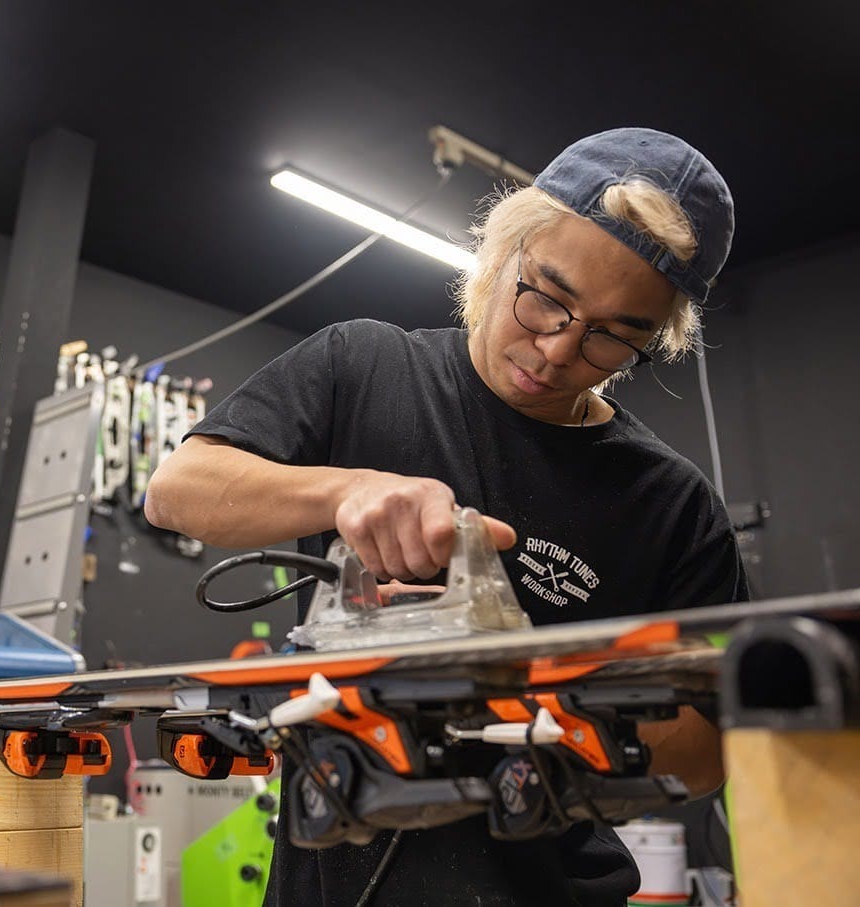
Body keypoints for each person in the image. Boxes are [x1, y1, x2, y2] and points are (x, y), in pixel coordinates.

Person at [145, 127, 747, 906]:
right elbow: (177, 491)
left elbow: (708, 748)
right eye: (547, 298)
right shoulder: (363, 367)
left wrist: (529, 699)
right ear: (505, 249)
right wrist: (346, 491)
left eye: (610, 337)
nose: (558, 349)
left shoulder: (672, 503)